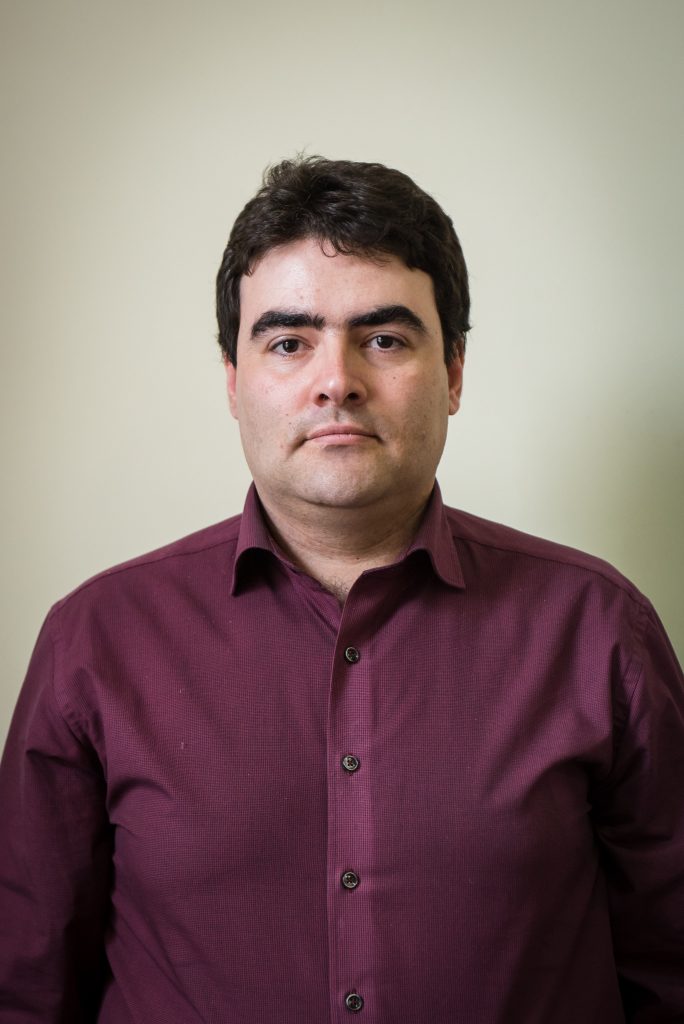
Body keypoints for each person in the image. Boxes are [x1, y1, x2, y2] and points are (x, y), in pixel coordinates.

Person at [0, 156, 682, 1024]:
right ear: (233, 380)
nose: (338, 380)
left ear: (455, 372)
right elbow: (25, 989)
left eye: (384, 339)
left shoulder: (600, 630)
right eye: (289, 342)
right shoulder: (94, 643)